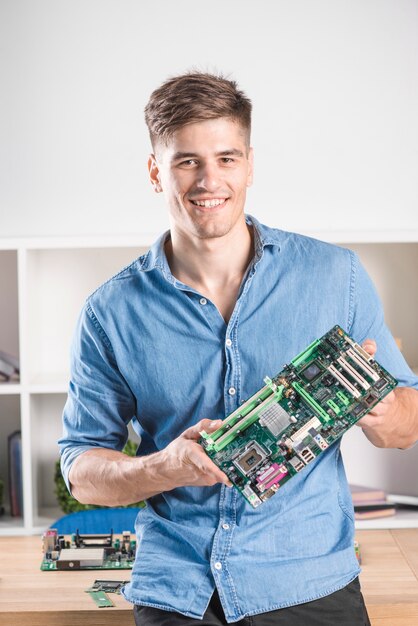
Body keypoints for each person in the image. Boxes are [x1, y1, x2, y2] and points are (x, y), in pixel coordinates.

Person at [59, 72, 418, 625]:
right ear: (156, 172)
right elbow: (81, 471)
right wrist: (165, 467)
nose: (209, 180)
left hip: (308, 583)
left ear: (250, 164)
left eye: (226, 158)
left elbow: (408, 426)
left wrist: (380, 406)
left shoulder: (335, 276)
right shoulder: (110, 312)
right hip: (178, 593)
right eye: (187, 161)